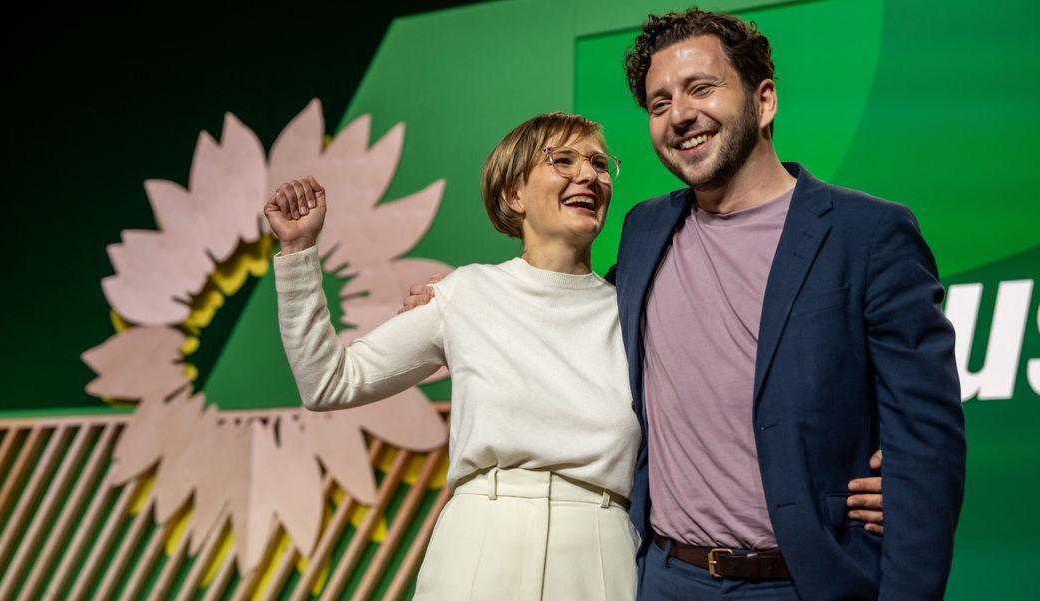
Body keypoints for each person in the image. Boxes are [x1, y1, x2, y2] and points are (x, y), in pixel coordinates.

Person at [402, 8, 963, 601]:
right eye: (659, 102)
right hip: (667, 579)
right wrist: (469, 292)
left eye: (701, 88)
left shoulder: (868, 233)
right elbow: (569, 302)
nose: (680, 115)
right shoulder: (646, 231)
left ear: (764, 100)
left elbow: (926, 445)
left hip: (807, 583)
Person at [268, 114, 885, 601]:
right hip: (480, 541)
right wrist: (298, 254)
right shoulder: (464, 294)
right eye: (561, 161)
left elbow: (748, 393)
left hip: (603, 552)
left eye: (598, 163)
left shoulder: (640, 306)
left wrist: (866, 461)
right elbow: (329, 381)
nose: (588, 175)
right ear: (513, 194)